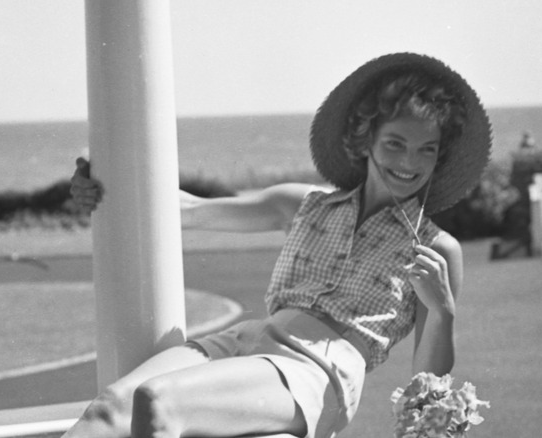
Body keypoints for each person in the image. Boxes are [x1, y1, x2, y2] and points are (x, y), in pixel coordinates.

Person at [64, 52, 492, 438]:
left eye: (426, 150)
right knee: (106, 411)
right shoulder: (302, 204)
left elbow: (429, 376)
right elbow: (186, 210)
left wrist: (442, 310)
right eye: (395, 143)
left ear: (440, 157)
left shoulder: (439, 247)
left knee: (157, 402)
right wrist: (102, 181)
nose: (408, 163)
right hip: (247, 342)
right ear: (366, 141)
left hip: (316, 372)